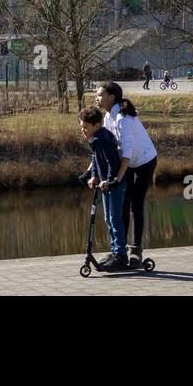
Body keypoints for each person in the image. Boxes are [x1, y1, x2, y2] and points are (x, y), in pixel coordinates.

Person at [93, 81, 159, 266]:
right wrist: (94, 171)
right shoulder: (107, 117)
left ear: (111, 97)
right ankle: (119, 250)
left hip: (144, 162)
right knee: (121, 206)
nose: (97, 98)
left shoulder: (122, 118)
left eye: (100, 95)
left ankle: (136, 250)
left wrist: (116, 179)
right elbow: (109, 148)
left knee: (135, 205)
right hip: (127, 163)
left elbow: (127, 151)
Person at [79, 105, 128, 271]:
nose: (83, 130)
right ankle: (116, 251)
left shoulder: (101, 139)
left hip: (114, 185)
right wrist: (94, 175)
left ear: (96, 125)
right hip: (106, 185)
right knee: (109, 219)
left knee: (115, 219)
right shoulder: (96, 138)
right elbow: (96, 159)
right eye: (81, 127)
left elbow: (112, 162)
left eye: (85, 127)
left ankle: (120, 254)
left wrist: (108, 181)